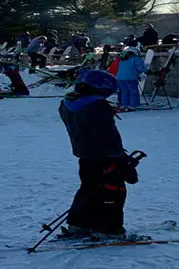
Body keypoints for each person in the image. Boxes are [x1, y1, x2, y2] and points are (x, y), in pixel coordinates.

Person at [58, 69, 139, 239]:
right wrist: (120, 158)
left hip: (85, 156)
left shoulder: (67, 103)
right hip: (106, 157)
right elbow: (107, 134)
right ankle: (109, 229)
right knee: (113, 191)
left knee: (89, 188)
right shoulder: (97, 106)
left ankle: (79, 223)